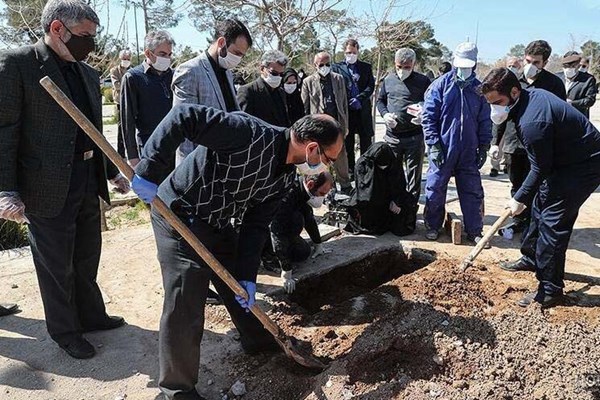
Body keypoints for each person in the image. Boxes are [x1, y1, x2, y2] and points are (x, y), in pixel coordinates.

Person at [130, 106, 344, 400]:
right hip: (178, 215)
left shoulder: (284, 179)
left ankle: (257, 340)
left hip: (217, 221)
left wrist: (247, 276)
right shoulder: (247, 134)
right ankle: (176, 389)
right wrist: (149, 170)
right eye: (328, 159)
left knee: (238, 287)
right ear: (311, 148)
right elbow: (184, 117)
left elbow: (255, 226)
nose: (326, 168)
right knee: (186, 295)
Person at [0, 0, 130, 359]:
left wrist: (109, 171)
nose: (91, 45)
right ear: (58, 29)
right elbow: (5, 130)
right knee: (56, 264)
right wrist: (5, 189)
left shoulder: (87, 73)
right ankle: (65, 331)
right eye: (85, 37)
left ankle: (91, 315)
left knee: (87, 255)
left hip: (86, 178)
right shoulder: (18, 64)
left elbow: (91, 131)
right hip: (44, 186)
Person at [481, 68, 600, 307]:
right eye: (491, 103)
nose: (495, 108)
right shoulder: (525, 100)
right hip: (562, 159)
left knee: (552, 223)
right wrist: (527, 197)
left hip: (584, 164)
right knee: (538, 208)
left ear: (514, 92)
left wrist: (519, 198)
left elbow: (539, 168)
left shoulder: (533, 120)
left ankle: (550, 290)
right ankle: (532, 257)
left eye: (499, 102)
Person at [491, 42, 567, 236]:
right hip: (514, 142)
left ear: (545, 63)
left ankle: (535, 225)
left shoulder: (554, 84)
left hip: (540, 146)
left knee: (539, 186)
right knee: (517, 185)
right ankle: (519, 221)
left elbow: (559, 118)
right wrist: (495, 142)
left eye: (536, 62)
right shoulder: (512, 82)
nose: (530, 65)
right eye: (527, 60)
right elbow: (501, 112)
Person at [422, 42, 491, 245]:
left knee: (472, 191)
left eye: (468, 65)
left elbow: (485, 121)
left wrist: (484, 146)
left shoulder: (480, 91)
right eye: (461, 64)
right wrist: (433, 144)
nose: (464, 69)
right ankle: (433, 226)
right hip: (443, 148)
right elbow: (428, 118)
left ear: (475, 64)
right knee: (435, 188)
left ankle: (475, 230)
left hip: (468, 150)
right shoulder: (440, 86)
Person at [171, 18, 251, 164]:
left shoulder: (227, 72)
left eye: (242, 55)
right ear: (221, 43)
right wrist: (185, 173)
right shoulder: (190, 71)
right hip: (200, 164)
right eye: (236, 53)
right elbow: (182, 128)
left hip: (226, 162)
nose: (238, 59)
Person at [376, 47, 431, 204]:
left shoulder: (423, 81)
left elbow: (431, 103)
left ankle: (410, 209)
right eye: (399, 67)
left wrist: (423, 113)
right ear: (395, 64)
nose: (402, 71)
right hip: (393, 137)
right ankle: (394, 206)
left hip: (414, 136)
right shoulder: (388, 80)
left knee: (414, 176)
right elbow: (380, 101)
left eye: (407, 67)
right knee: (393, 174)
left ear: (413, 64)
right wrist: (385, 114)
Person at [271, 172, 334, 293]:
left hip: (285, 230)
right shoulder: (287, 196)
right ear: (310, 185)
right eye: (321, 193)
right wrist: (286, 271)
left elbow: (309, 218)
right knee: (295, 219)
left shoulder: (303, 192)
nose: (322, 198)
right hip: (268, 230)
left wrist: (318, 244)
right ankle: (269, 256)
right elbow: (276, 233)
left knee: (303, 253)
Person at [120, 30, 175, 169]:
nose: (167, 58)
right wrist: (133, 157)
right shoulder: (133, 77)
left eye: (169, 54)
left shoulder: (174, 76)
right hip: (150, 148)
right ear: (148, 53)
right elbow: (128, 120)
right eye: (162, 54)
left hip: (176, 147)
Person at [302, 51, 351, 194]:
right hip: (318, 127)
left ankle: (346, 185)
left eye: (327, 64)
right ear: (315, 65)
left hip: (336, 125)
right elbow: (305, 106)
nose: (325, 67)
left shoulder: (339, 79)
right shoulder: (308, 82)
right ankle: (327, 187)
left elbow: (343, 104)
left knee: (341, 156)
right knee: (321, 158)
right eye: (321, 64)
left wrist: (345, 125)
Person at [332, 39, 375, 174]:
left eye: (354, 52)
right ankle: (350, 171)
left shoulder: (366, 67)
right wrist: (347, 100)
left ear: (358, 51)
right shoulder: (336, 68)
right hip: (347, 112)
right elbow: (336, 87)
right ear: (344, 52)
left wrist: (360, 98)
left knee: (366, 142)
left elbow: (370, 86)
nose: (351, 54)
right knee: (348, 143)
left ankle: (365, 171)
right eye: (348, 52)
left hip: (362, 109)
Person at [237, 49, 290, 127]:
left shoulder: (281, 92)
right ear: (262, 69)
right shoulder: (248, 91)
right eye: (274, 73)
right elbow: (244, 125)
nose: (278, 77)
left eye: (281, 74)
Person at [489, 57, 522, 177]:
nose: (512, 68)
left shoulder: (522, 83)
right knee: (497, 141)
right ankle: (494, 166)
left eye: (515, 66)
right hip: (501, 116)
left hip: (515, 121)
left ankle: (506, 164)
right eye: (510, 65)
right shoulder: (498, 81)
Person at [556, 51, 597, 118]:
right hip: (558, 118)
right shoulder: (556, 77)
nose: (568, 69)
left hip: (577, 119)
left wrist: (571, 103)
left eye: (572, 66)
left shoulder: (588, 80)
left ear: (578, 66)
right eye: (566, 66)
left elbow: (590, 100)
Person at [110, 49, 131, 158]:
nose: (126, 61)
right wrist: (128, 85)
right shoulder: (114, 71)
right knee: (121, 127)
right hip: (120, 102)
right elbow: (116, 85)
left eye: (128, 59)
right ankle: (121, 153)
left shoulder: (132, 70)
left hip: (131, 102)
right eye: (124, 59)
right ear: (120, 59)